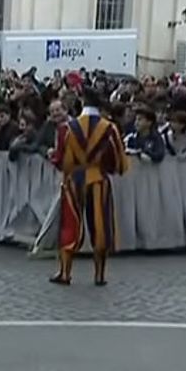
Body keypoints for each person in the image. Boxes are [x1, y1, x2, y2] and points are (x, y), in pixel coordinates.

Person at [49, 84, 129, 287]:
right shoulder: (109, 128)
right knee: (100, 226)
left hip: (74, 180)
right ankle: (99, 275)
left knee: (69, 225)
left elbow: (62, 161)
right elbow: (118, 162)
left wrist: (55, 159)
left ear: (82, 102)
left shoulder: (67, 129)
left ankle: (65, 273)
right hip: (98, 179)